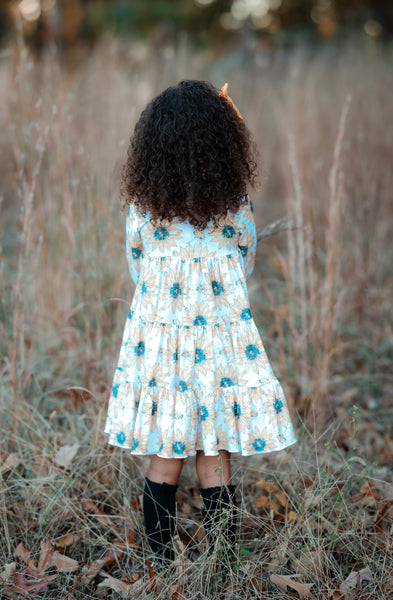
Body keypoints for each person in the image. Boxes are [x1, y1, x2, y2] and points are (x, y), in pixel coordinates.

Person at [103, 80, 297, 572]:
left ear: (151, 150)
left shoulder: (143, 210)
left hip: (161, 344)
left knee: (164, 455)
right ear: (224, 145)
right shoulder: (235, 207)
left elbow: (137, 265)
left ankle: (161, 565)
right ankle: (223, 564)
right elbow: (245, 260)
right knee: (215, 454)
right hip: (220, 345)